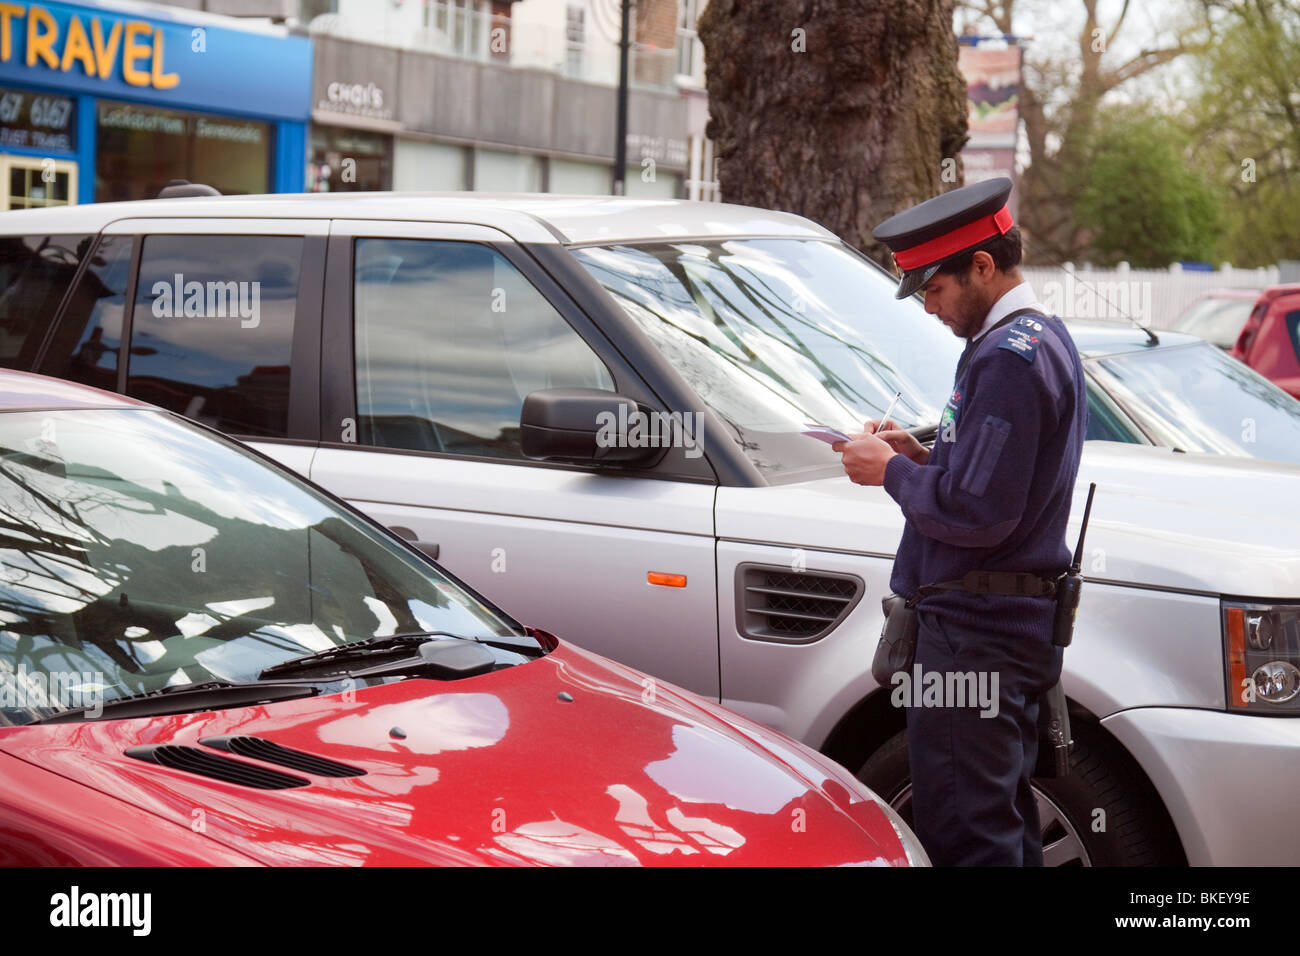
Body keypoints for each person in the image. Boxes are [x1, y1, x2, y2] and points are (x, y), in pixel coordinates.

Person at [832, 178, 1088, 866]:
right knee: (1003, 826)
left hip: (975, 634)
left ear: (981, 265)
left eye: (934, 288)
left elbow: (977, 513)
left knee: (967, 835)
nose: (930, 307)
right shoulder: (1042, 338)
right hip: (1006, 631)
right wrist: (920, 454)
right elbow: (1002, 479)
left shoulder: (1005, 356)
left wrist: (886, 472)